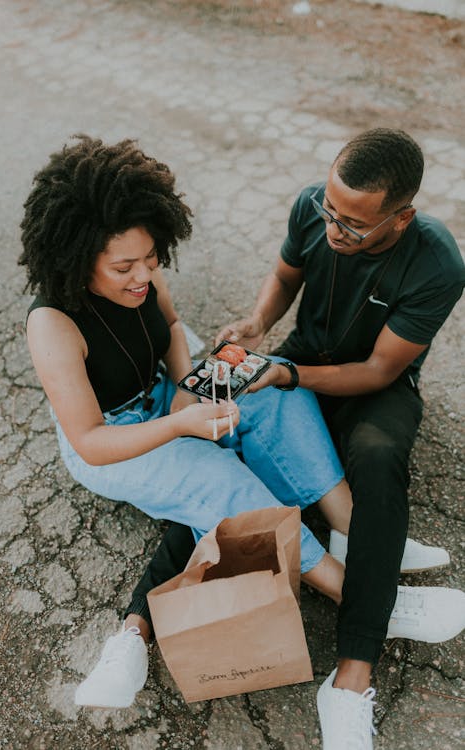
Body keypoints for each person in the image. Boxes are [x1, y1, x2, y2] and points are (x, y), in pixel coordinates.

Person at [76, 129, 464, 747]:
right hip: (288, 368)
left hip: (369, 382)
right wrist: (257, 325)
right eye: (329, 212)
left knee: (372, 454)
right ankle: (372, 594)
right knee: (222, 481)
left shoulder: (438, 262)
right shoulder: (315, 208)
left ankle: (354, 630)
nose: (334, 229)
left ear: (402, 216)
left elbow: (380, 371)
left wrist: (274, 374)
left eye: (354, 226)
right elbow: (284, 277)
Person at [20, 133, 366, 705]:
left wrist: (186, 386)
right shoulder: (51, 325)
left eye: (151, 259)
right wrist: (181, 424)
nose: (143, 276)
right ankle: (356, 598)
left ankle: (355, 529)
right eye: (124, 267)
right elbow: (89, 441)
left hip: (162, 392)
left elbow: (174, 329)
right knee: (218, 480)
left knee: (275, 384)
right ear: (78, 259)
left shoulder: (145, 272)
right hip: (113, 436)